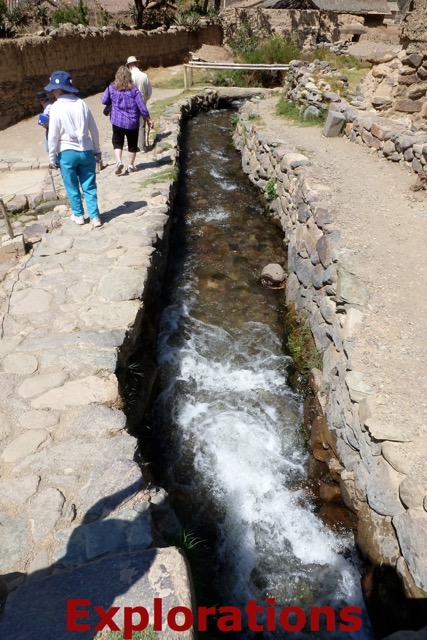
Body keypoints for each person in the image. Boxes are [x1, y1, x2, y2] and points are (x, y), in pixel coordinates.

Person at [44, 70, 103, 228]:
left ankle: (78, 215)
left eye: (53, 90)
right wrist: (97, 150)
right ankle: (95, 216)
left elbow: (53, 135)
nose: (53, 93)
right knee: (89, 185)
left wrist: (52, 158)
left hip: (66, 152)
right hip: (86, 150)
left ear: (58, 90)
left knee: (71, 185)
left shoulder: (56, 107)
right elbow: (94, 130)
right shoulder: (81, 103)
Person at [101, 65, 153, 175]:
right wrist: (148, 119)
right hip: (132, 122)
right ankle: (130, 165)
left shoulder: (111, 88)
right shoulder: (134, 90)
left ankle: (119, 161)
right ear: (129, 77)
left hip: (117, 121)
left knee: (117, 142)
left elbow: (104, 100)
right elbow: (142, 106)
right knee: (132, 144)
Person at [126, 55, 152, 151]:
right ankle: (142, 146)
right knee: (141, 125)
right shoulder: (144, 76)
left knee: (131, 125)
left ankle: (132, 146)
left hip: (130, 105)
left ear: (129, 65)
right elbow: (149, 92)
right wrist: (144, 100)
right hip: (142, 104)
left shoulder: (128, 77)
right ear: (136, 63)